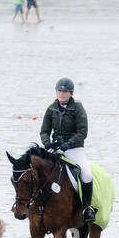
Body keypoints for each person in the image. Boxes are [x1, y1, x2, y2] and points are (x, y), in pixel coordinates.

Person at [39, 77, 95, 222]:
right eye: (59, 91)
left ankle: (87, 208)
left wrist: (68, 144)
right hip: (55, 148)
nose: (62, 94)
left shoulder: (78, 108)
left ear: (71, 93)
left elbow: (83, 132)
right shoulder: (51, 108)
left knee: (87, 174)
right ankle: (35, 204)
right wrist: (46, 143)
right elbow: (44, 131)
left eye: (65, 92)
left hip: (74, 148)